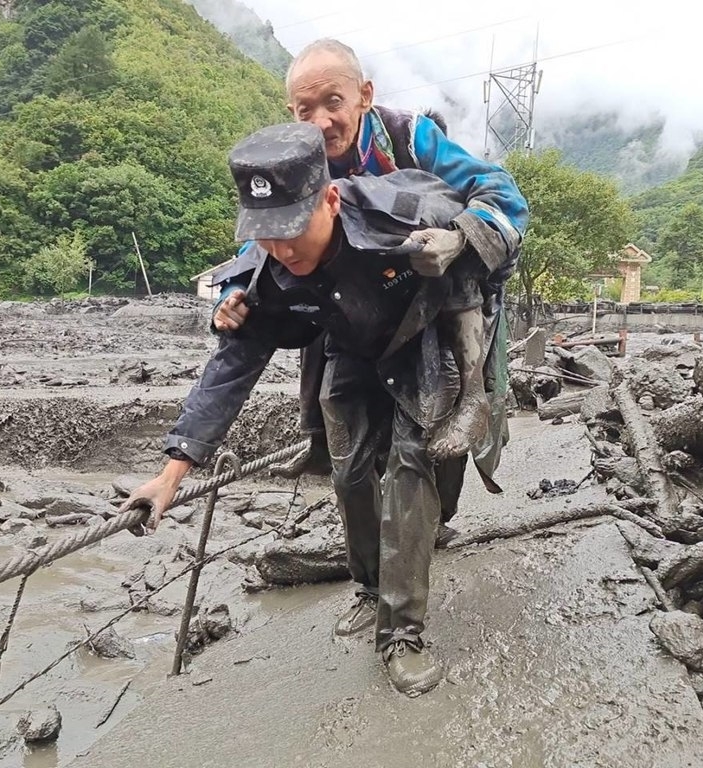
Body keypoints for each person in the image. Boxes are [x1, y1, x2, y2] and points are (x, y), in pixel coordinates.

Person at [121, 122, 519, 696]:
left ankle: (400, 634)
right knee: (350, 467)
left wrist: (458, 243)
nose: (281, 249)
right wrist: (169, 475)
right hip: (352, 347)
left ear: (330, 198)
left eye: (290, 230)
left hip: (425, 336)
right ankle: (368, 587)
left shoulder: (406, 210)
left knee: (412, 466)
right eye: (265, 235)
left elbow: (495, 258)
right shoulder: (271, 270)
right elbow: (231, 369)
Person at [212, 39, 528, 542]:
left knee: (435, 423)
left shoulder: (411, 139)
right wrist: (233, 289)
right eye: (304, 110)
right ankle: (327, 457)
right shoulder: (298, 163)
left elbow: (504, 196)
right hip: (356, 308)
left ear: (364, 95)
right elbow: (272, 233)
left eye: (333, 103)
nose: (320, 122)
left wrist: (460, 238)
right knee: (343, 419)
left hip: (437, 296)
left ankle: (437, 516)